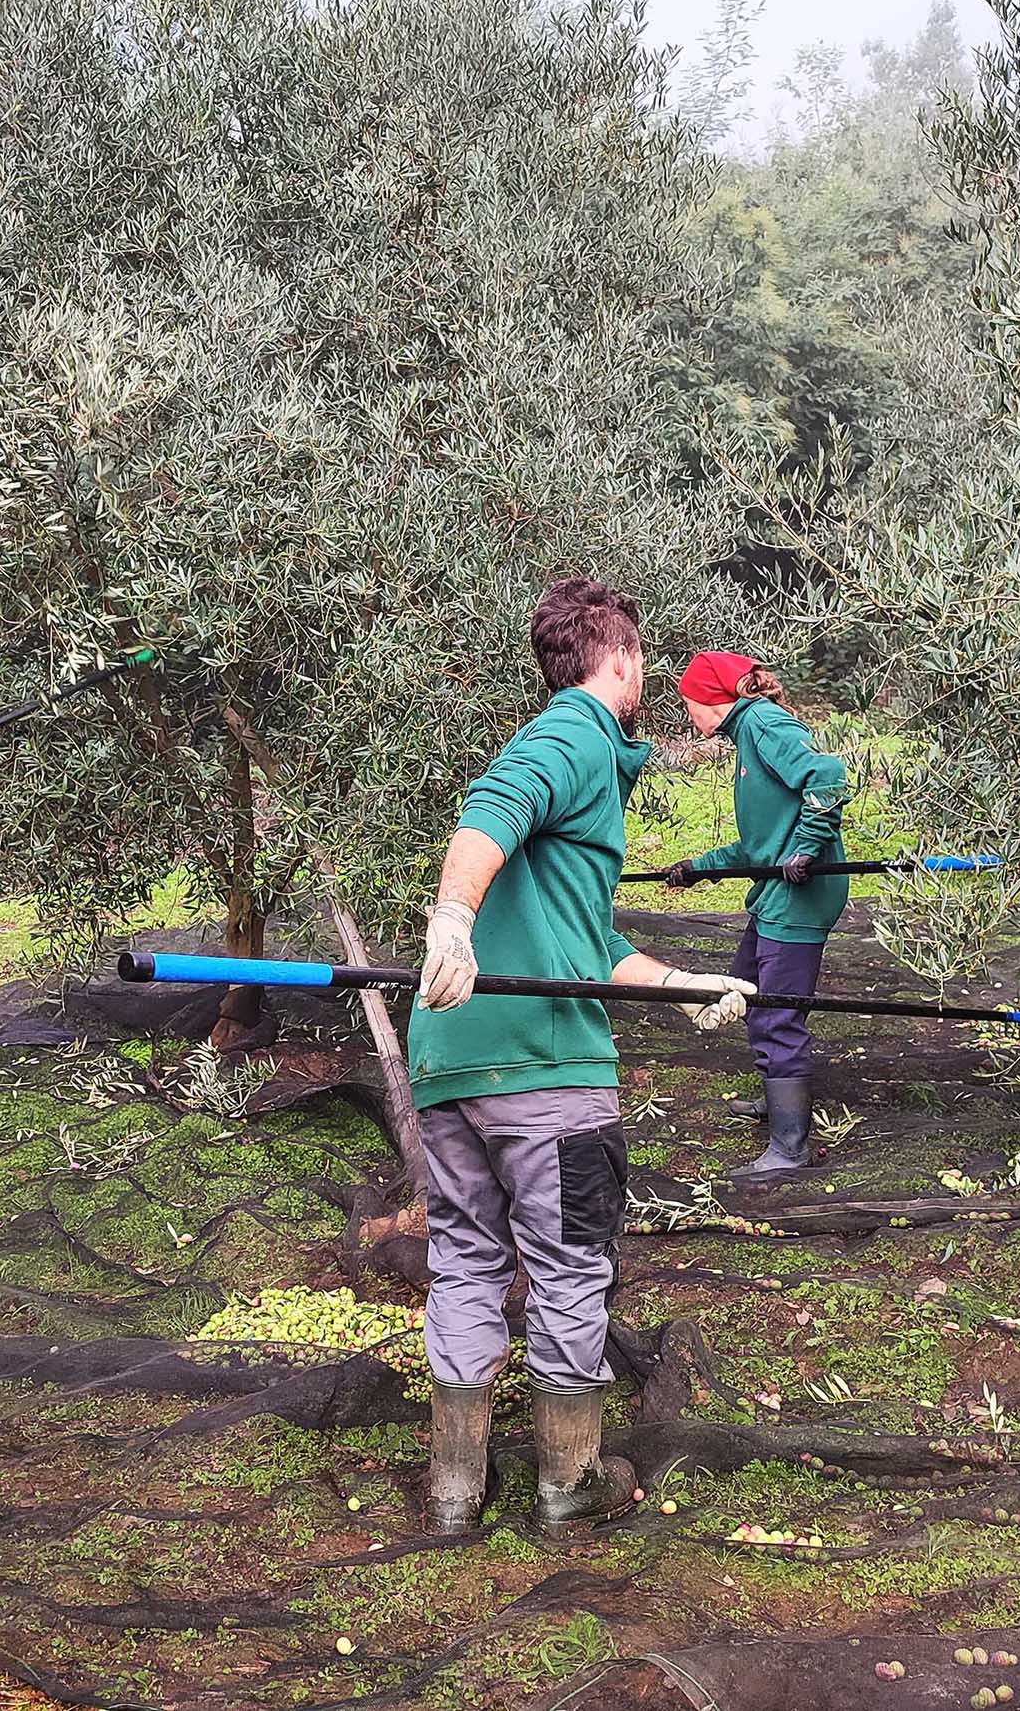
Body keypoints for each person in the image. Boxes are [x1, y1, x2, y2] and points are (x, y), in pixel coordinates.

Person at [406, 579, 756, 1534]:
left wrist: (688, 983)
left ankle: (453, 1490)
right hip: (545, 1073)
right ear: (623, 661)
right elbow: (491, 808)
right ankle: (567, 1485)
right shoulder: (574, 734)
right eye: (642, 663)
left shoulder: (583, 764)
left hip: (449, 1059)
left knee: (468, 1259)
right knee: (568, 1264)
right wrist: (453, 919)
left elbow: (588, 945)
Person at [659, 652, 852, 1177]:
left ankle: (789, 1147)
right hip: (776, 895)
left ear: (710, 700)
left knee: (776, 1012)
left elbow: (829, 777)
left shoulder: (763, 723)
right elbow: (762, 845)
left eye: (688, 704)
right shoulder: (748, 736)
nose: (689, 716)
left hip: (799, 899)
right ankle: (779, 1099)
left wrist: (808, 848)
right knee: (746, 987)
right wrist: (699, 867)